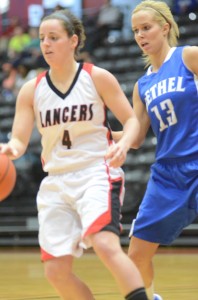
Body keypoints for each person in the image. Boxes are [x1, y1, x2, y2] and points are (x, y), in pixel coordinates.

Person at [0, 9, 148, 300]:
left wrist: (123, 143)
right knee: (55, 271)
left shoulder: (97, 77)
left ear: (73, 41)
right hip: (56, 181)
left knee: (105, 244)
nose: (46, 44)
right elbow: (18, 139)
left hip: (95, 172)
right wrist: (10, 149)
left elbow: (131, 121)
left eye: (54, 37)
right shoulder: (31, 89)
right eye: (42, 38)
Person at [110, 1, 198, 299]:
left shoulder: (188, 57)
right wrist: (103, 133)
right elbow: (136, 138)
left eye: (146, 28)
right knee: (136, 255)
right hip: (167, 175)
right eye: (136, 31)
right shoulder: (143, 84)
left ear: (165, 27)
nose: (140, 36)